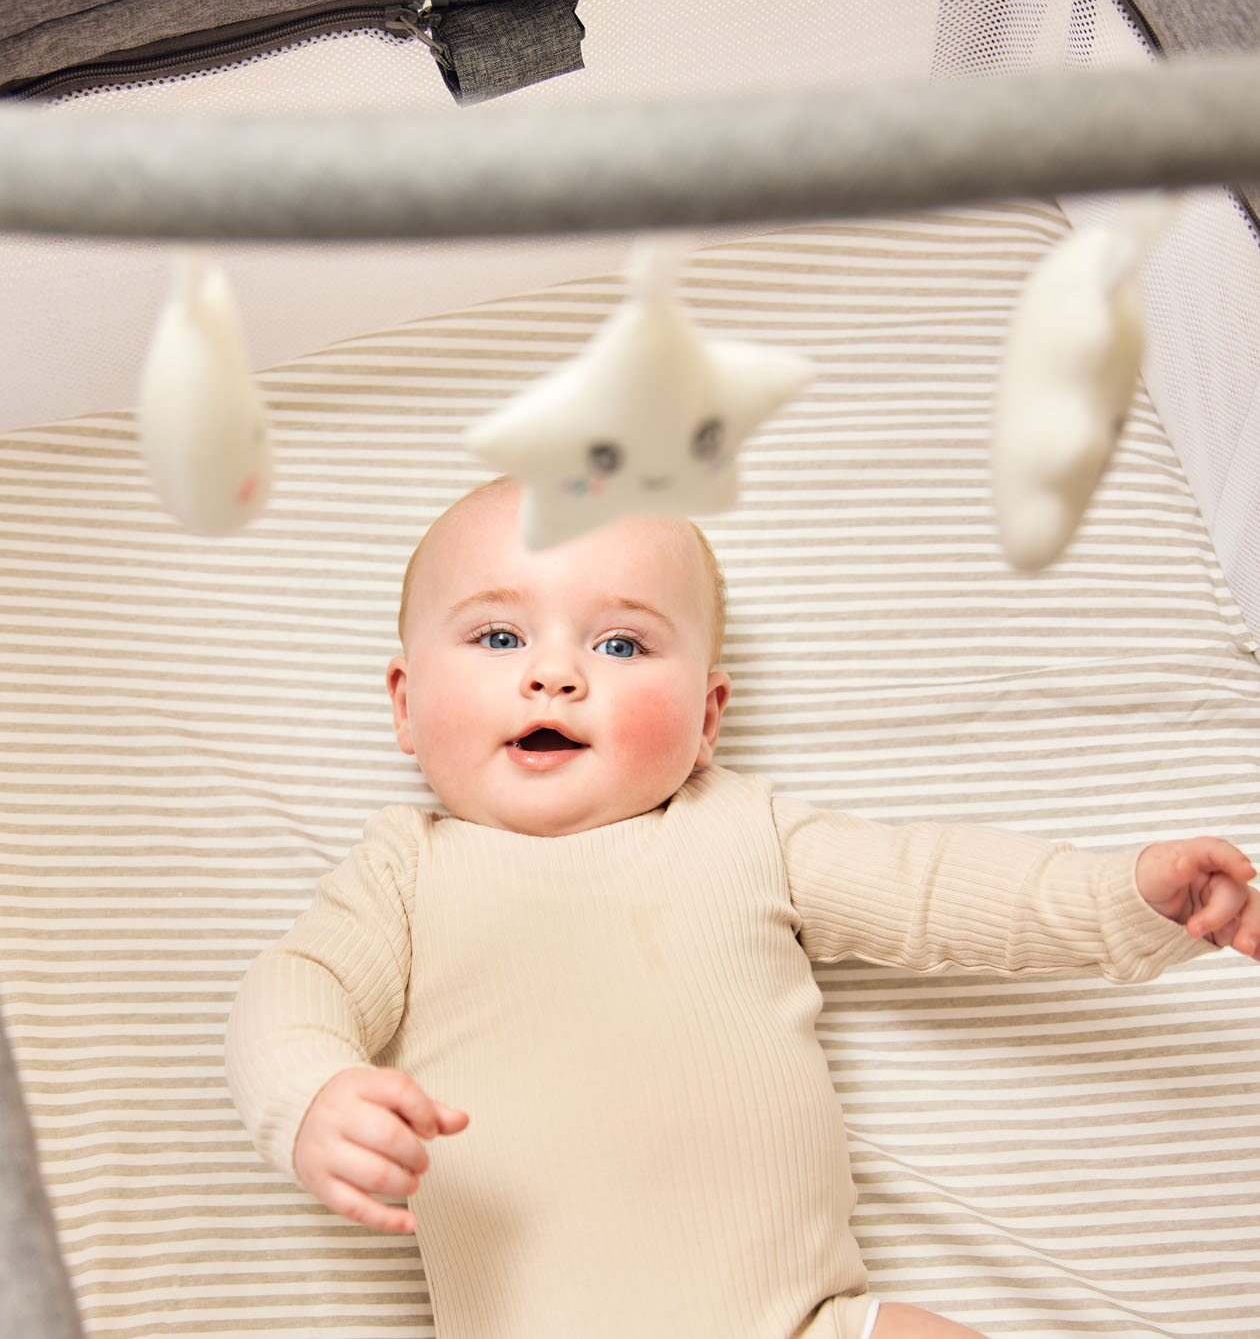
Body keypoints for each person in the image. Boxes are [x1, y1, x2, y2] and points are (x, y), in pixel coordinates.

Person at [226, 476, 1259, 1339]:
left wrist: (1130, 900)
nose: (553, 674)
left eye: (621, 646)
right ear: (406, 705)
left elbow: (940, 889)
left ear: (708, 717)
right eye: (497, 635)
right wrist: (313, 1094)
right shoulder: (405, 870)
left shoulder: (745, 831)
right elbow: (295, 989)